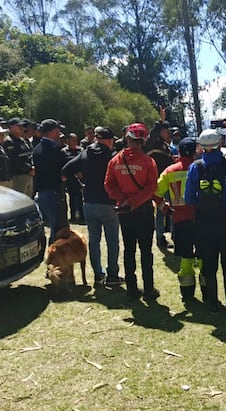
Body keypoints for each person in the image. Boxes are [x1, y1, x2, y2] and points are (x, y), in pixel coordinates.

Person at [184, 124, 226, 312]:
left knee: (209, 262)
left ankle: (212, 303)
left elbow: (188, 198)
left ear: (201, 147)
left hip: (204, 221)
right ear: (219, 143)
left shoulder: (195, 168)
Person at [105, 122, 160, 301]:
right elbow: (152, 187)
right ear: (143, 140)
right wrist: (135, 201)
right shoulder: (148, 162)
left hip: (124, 211)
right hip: (143, 210)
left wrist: (124, 200)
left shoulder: (115, 161)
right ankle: (149, 289)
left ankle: (131, 288)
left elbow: (109, 184)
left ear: (127, 138)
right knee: (146, 251)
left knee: (129, 249)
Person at [62, 126, 121, 286]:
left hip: (88, 202)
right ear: (109, 140)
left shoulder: (85, 153)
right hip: (108, 203)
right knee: (112, 241)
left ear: (96, 138)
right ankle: (113, 275)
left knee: (94, 241)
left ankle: (97, 275)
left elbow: (66, 170)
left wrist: (79, 186)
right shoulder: (112, 155)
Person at [156, 137, 200, 303]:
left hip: (180, 220)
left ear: (179, 152)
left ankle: (188, 295)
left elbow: (156, 192)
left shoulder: (170, 171)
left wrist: (164, 208)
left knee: (186, 258)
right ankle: (208, 293)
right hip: (201, 219)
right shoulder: (201, 168)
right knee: (203, 257)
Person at [32, 119, 68, 244]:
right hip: (54, 193)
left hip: (42, 193)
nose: (60, 133)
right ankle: (56, 258)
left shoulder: (37, 149)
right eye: (58, 130)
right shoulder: (54, 150)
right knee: (58, 229)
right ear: (53, 132)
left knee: (51, 227)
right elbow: (63, 172)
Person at [145, 111, 175, 249]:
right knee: (162, 210)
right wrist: (160, 121)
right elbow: (152, 135)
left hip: (169, 181)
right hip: (158, 182)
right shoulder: (153, 144)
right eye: (166, 131)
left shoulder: (165, 145)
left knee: (171, 209)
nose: (168, 133)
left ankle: (174, 235)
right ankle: (160, 237)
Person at [5, 117, 35, 197]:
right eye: (19, 126)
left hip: (29, 175)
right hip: (18, 176)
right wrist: (29, 169)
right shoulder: (9, 142)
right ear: (11, 127)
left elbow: (29, 156)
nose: (22, 128)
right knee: (19, 201)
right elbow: (14, 160)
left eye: (22, 126)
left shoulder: (23, 140)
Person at [63, 133, 85, 223]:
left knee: (80, 198)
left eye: (75, 140)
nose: (74, 142)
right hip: (69, 178)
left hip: (80, 177)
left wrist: (82, 172)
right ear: (68, 141)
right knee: (72, 197)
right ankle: (72, 217)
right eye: (72, 140)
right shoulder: (64, 151)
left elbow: (84, 162)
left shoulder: (81, 150)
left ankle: (81, 216)